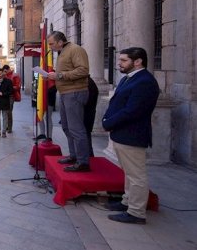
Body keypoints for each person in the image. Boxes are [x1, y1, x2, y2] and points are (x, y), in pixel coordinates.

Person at [103, 47, 160, 224]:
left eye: (123, 60)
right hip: (122, 133)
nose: (119, 63)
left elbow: (132, 111)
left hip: (132, 134)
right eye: (119, 60)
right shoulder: (129, 78)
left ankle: (136, 212)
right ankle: (127, 201)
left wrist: (109, 122)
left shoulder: (145, 82)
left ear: (138, 61)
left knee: (136, 175)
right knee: (128, 173)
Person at [46, 31, 91, 172]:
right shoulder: (62, 52)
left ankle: (83, 161)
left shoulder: (75, 50)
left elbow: (83, 70)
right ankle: (74, 155)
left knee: (76, 128)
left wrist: (59, 75)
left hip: (75, 92)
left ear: (60, 42)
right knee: (66, 126)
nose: (50, 47)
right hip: (65, 93)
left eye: (52, 43)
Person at [3, 65, 20, 134]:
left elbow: (18, 86)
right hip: (4, 96)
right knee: (5, 112)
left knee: (9, 112)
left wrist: (9, 87)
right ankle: (6, 126)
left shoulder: (15, 75)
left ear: (9, 69)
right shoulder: (4, 76)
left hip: (11, 96)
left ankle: (10, 128)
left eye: (6, 71)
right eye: (4, 71)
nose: (5, 72)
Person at [85, 77, 99, 156]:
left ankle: (88, 159)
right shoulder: (86, 81)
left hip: (85, 117)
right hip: (85, 117)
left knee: (86, 141)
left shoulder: (88, 83)